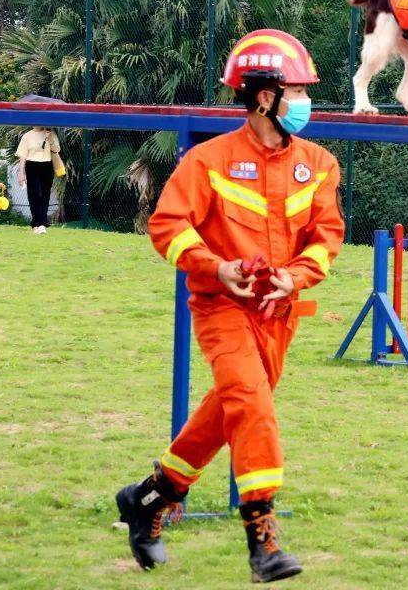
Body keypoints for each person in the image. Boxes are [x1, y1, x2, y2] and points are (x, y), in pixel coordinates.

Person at [115, 30, 344, 583]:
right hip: (221, 309)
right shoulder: (208, 161)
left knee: (231, 411)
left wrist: (294, 277)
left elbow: (326, 235)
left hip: (278, 315)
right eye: (296, 88)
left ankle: (152, 498)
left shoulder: (319, 164)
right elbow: (167, 225)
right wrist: (217, 268)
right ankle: (261, 536)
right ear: (264, 96)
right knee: (252, 406)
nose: (306, 99)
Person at [14, 125, 60, 234]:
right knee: (35, 194)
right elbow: (22, 156)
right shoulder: (27, 136)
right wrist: (21, 173)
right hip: (32, 166)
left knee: (45, 194)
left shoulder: (51, 132)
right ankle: (36, 223)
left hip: (47, 165)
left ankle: (42, 224)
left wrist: (50, 139)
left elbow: (56, 150)